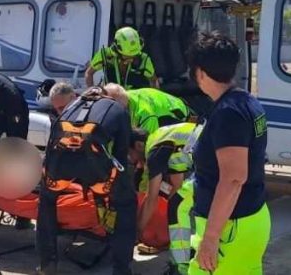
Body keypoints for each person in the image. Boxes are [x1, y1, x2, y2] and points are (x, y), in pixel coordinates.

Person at [187, 31, 270, 275]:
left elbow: (233, 179)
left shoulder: (228, 113)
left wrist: (211, 238)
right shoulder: (247, 101)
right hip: (250, 218)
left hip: (229, 229)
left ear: (200, 72)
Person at [37, 88, 139, 275]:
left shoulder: (72, 106)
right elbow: (120, 154)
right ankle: (121, 269)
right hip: (93, 165)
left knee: (46, 203)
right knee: (126, 204)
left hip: (59, 167)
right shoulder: (118, 109)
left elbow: (53, 143)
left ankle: (47, 265)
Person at [134, 122, 203, 275]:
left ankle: (180, 266)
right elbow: (177, 186)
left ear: (138, 146)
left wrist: (136, 233)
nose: (136, 164)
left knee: (178, 207)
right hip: (211, 150)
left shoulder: (154, 152)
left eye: (130, 154)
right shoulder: (163, 140)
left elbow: (152, 198)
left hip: (209, 155)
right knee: (179, 205)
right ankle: (183, 256)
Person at [85, 26, 159, 89]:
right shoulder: (105, 55)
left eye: (134, 56)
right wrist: (92, 91)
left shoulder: (144, 59)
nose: (131, 59)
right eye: (127, 56)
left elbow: (153, 80)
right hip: (112, 97)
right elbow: (89, 73)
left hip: (134, 99)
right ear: (117, 50)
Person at [104, 84, 190, 135]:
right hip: (167, 105)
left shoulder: (145, 114)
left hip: (177, 115)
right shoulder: (125, 95)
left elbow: (150, 142)